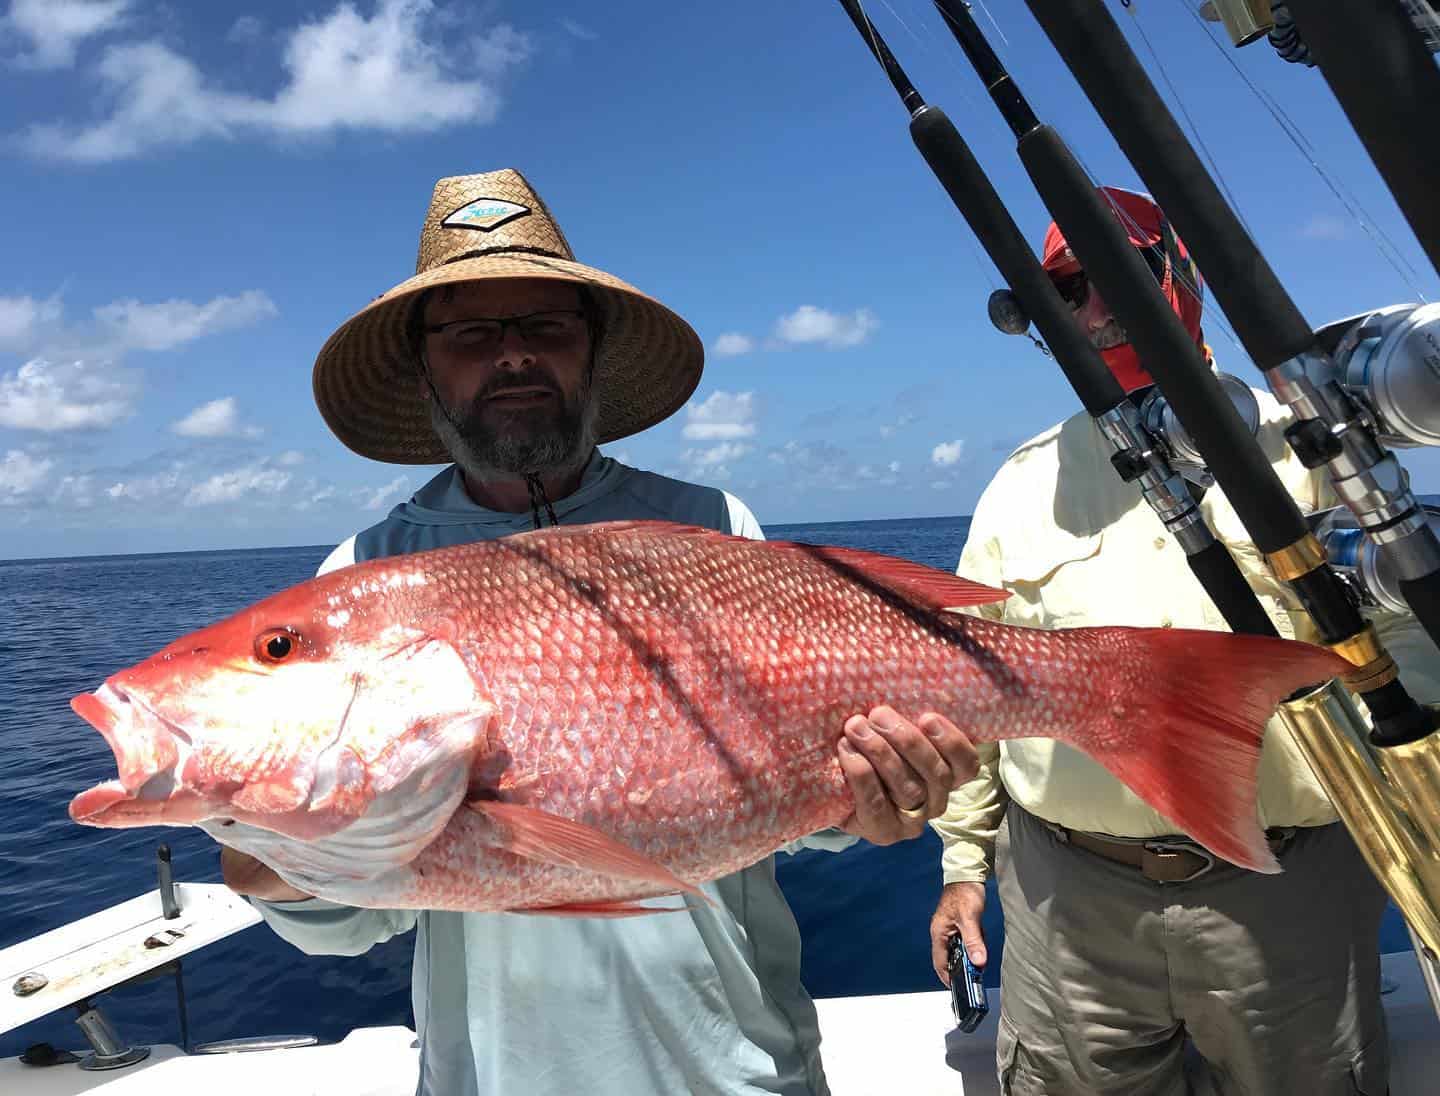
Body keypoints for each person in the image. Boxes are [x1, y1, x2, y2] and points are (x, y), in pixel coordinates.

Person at [217, 168, 980, 1096]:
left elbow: (799, 829)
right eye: (469, 332)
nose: (512, 356)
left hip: (735, 1072)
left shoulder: (712, 525)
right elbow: (348, 926)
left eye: (545, 325)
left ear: (592, 350)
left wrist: (872, 804)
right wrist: (282, 860)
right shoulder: (364, 575)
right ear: (425, 366)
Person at [929, 186, 1440, 1095]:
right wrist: (964, 867)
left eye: (1110, 270)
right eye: (1063, 287)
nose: (1090, 306)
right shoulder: (1017, 485)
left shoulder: (1312, 447)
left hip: (1291, 894)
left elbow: (1416, 666)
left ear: (1178, 270)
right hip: (1067, 903)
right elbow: (973, 693)